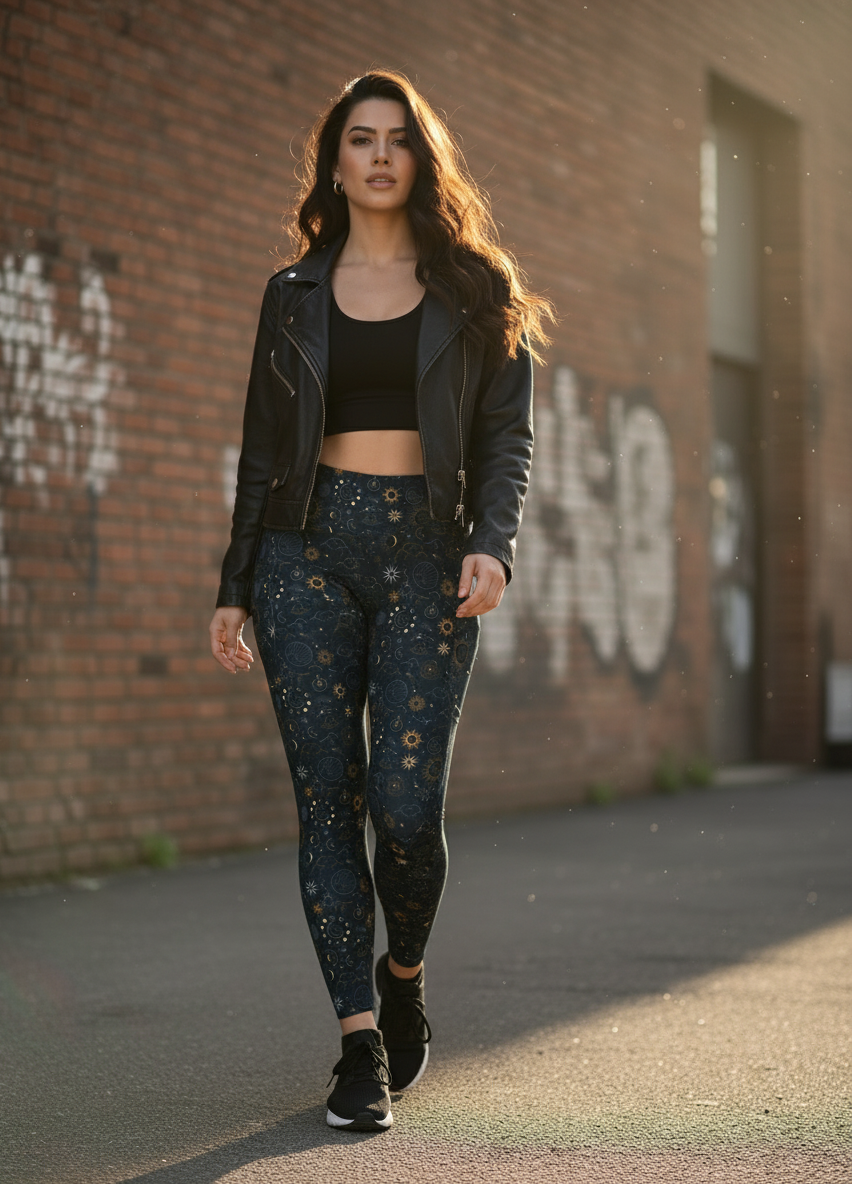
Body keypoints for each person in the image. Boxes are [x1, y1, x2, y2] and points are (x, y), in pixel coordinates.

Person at [208, 69, 552, 1132]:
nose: (379, 154)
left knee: (405, 812)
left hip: (425, 557)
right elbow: (265, 448)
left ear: (421, 156)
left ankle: (402, 973)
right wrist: (233, 586)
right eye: (359, 138)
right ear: (335, 161)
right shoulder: (292, 293)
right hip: (302, 554)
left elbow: (506, 438)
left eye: (398, 138)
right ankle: (359, 1039)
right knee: (326, 798)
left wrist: (492, 543)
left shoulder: (479, 287)